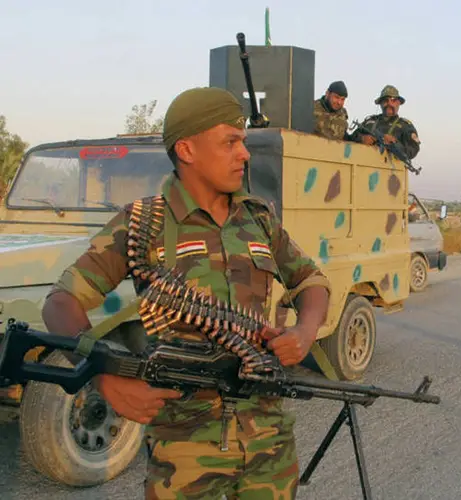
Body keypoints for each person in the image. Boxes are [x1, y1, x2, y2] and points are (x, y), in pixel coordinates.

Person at [40, 86, 332, 499]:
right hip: (185, 448)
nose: (244, 154)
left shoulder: (259, 219)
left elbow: (311, 281)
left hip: (268, 437)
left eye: (243, 142)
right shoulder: (143, 224)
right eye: (230, 142)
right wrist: (102, 376)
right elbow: (61, 303)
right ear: (187, 149)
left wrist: (304, 331)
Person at [350, 85, 421, 160]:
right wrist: (362, 138)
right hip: (364, 166)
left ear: (398, 103)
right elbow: (350, 138)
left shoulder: (405, 126)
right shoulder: (369, 121)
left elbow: (412, 150)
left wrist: (394, 143)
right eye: (385, 100)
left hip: (390, 170)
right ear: (380, 103)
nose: (389, 103)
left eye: (393, 100)